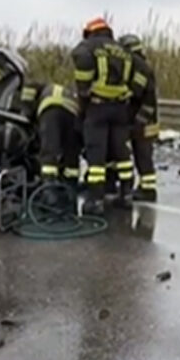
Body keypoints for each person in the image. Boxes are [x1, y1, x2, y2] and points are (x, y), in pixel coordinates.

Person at [71, 17, 135, 216]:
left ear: (90, 32)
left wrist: (82, 105)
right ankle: (126, 195)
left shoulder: (88, 47)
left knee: (96, 155)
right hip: (120, 108)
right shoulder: (122, 50)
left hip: (97, 107)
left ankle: (95, 201)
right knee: (121, 153)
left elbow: (82, 79)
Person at [119, 33, 159, 202]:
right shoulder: (141, 64)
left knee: (142, 154)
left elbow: (136, 91)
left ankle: (148, 190)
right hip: (146, 117)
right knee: (142, 153)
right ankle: (145, 186)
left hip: (144, 119)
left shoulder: (139, 66)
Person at [21, 80, 81, 190]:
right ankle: (70, 187)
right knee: (71, 154)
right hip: (72, 114)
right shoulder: (69, 91)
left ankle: (48, 189)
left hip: (51, 112)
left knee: (49, 150)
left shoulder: (37, 86)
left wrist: (28, 115)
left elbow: (27, 108)